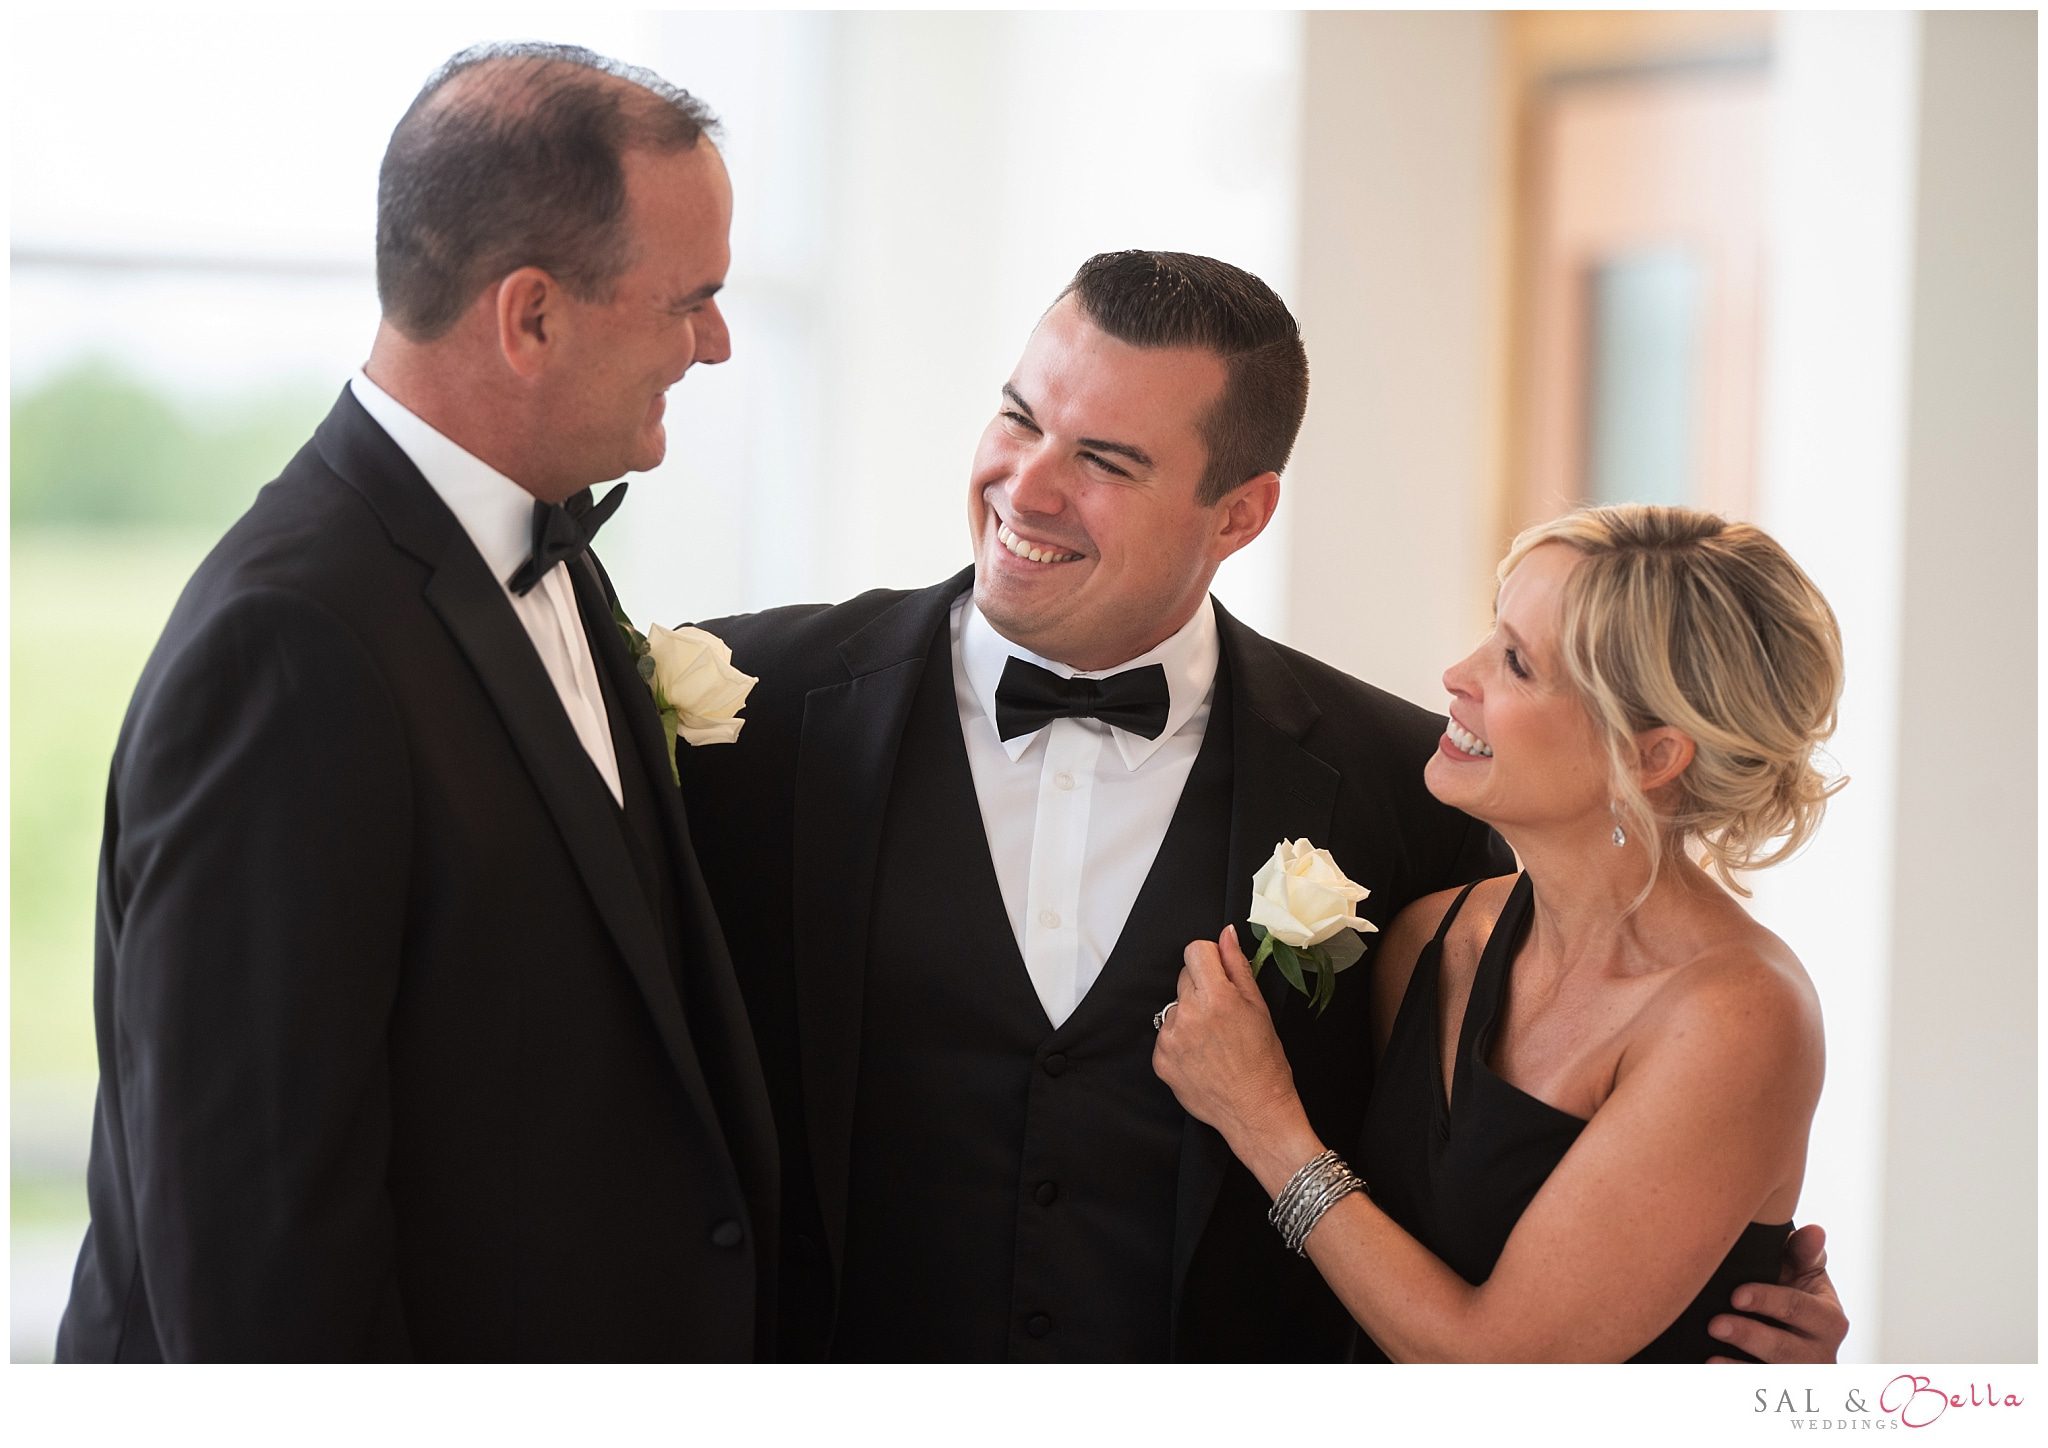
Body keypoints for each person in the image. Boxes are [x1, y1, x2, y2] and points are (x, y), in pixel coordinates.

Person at [678, 254, 1845, 1361]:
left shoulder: (1401, 794)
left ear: (1238, 514)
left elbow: (1549, 1246)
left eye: (1105, 459)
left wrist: (1716, 1324)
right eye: (1019, 417)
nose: (1024, 484)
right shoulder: (744, 713)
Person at [56, 42, 776, 1362]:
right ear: (533, 317)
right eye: (692, 299)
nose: (715, 342)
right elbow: (254, 1248)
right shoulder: (287, 648)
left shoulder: (540, 543)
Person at [1154, 504, 1845, 1361]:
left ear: (1652, 756)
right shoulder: (1430, 939)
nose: (1456, 674)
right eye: (1491, 632)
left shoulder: (1739, 1019)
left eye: (1516, 663)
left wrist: (1265, 1125)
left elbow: (1500, 1370)